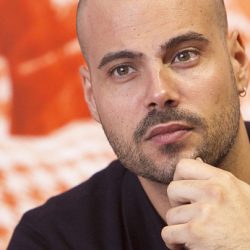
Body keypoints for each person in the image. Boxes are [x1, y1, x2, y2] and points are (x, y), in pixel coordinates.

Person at [8, 0, 250, 249]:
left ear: (238, 62)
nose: (159, 92)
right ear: (91, 98)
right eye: (122, 70)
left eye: (184, 55)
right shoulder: (51, 241)